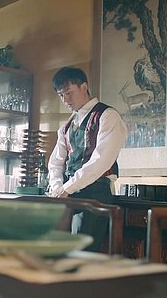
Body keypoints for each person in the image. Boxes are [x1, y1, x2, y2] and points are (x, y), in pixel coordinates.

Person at [47, 66, 127, 204]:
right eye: (61, 95)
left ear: (84, 87)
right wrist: (57, 188)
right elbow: (56, 163)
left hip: (96, 193)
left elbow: (101, 160)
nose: (65, 99)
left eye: (68, 93)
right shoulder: (66, 127)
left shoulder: (107, 116)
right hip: (67, 194)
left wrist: (67, 188)